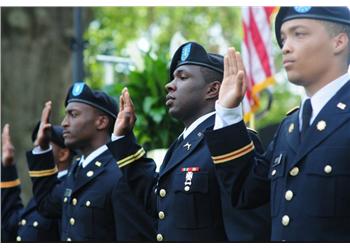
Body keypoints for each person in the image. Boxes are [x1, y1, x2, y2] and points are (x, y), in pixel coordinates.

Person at [204, 7, 350, 241]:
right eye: (283, 38)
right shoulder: (290, 127)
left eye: (299, 34)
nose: (286, 47)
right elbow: (245, 192)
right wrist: (228, 114)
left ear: (339, 42)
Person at [107, 42, 271, 242]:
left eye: (182, 77)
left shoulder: (231, 141)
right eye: (173, 77)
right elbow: (159, 202)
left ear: (213, 89)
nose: (169, 85)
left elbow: (247, 228)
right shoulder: (182, 144)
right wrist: (124, 141)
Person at [26, 83, 155, 242]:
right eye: (66, 115)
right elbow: (46, 204)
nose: (64, 123)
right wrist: (43, 148)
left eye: (73, 114)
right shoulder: (78, 169)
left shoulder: (120, 173)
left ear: (101, 122)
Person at [1, 123, 74, 242]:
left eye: (44, 145)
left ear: (63, 154)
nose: (37, 150)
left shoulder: (67, 190)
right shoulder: (45, 190)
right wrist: (8, 168)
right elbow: (12, 225)